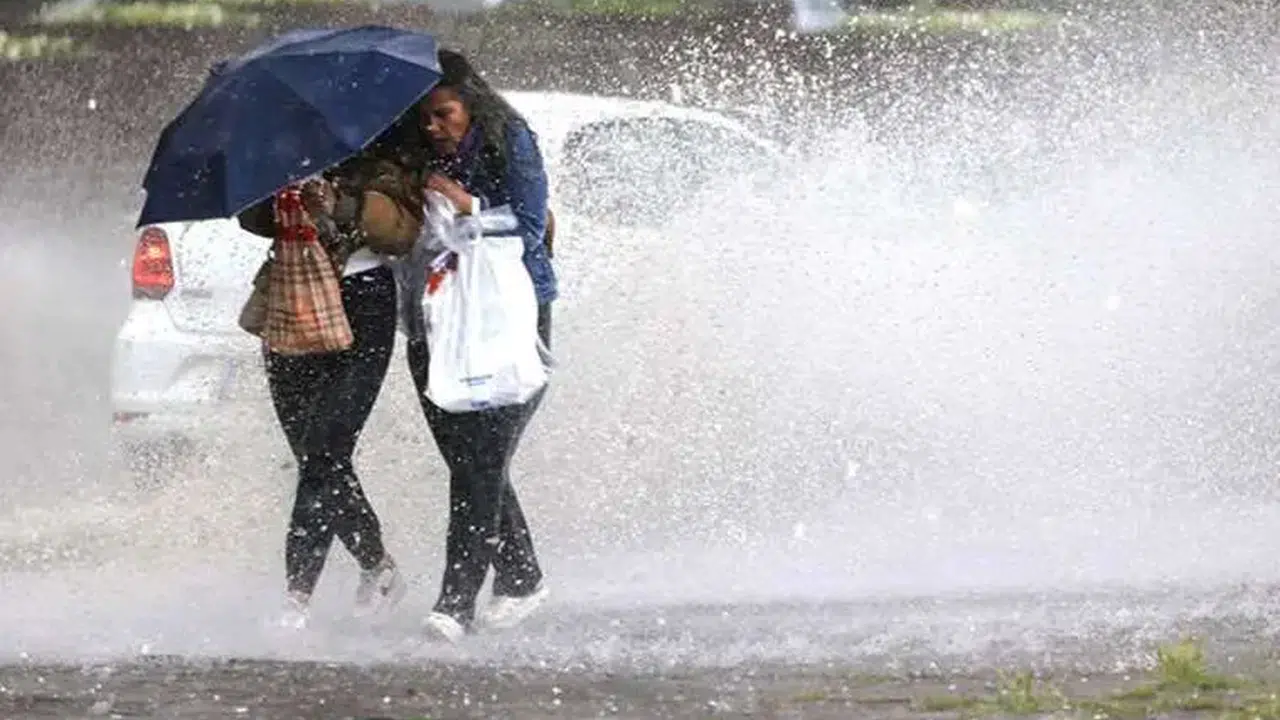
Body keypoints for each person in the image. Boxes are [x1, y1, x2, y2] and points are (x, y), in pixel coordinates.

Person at [395, 49, 558, 642]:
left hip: (507, 315)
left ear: (471, 104)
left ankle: (454, 603)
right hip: (433, 319)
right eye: (425, 120)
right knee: (469, 461)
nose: (434, 129)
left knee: (482, 460)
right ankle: (520, 577)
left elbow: (535, 220)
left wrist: (472, 209)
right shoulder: (410, 158)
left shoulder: (509, 138)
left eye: (444, 114)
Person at [237, 132, 425, 629]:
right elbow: (250, 218)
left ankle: (297, 597)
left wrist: (340, 203)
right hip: (292, 294)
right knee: (312, 457)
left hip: (364, 301)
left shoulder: (388, 145)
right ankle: (378, 566)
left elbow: (403, 231)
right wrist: (275, 191)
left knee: (325, 450)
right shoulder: (279, 147)